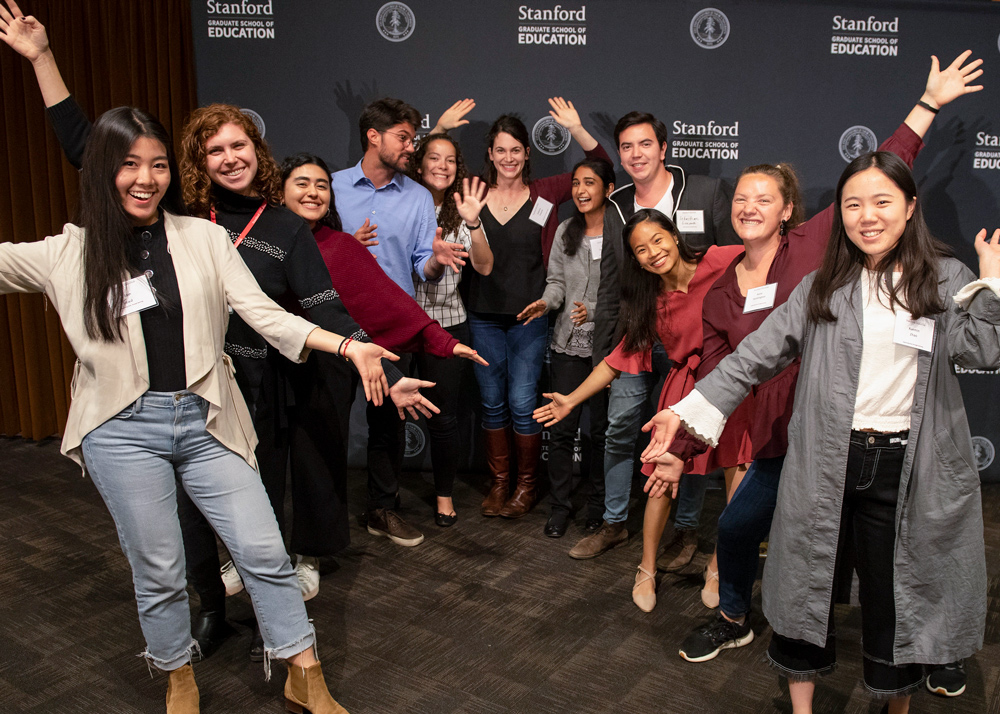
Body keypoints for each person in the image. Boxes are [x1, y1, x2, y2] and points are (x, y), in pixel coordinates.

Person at [0, 105, 392, 714]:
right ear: (104, 171)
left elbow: (266, 313)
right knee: (159, 567)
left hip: (207, 419)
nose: (145, 178)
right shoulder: (68, 252)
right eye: (129, 164)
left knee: (265, 552)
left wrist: (347, 344)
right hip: (122, 431)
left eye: (157, 165)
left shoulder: (203, 238)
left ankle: (304, 674)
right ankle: (178, 679)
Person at [641, 51, 983, 664]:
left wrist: (926, 106)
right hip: (782, 435)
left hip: (860, 431)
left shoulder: (816, 250)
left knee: (899, 548)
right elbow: (732, 372)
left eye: (763, 198)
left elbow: (879, 181)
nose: (748, 206)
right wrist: (684, 442)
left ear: (789, 210)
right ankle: (742, 619)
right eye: (741, 197)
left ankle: (927, 652)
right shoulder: (720, 283)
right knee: (746, 528)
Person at [534, 209, 748, 612]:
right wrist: (572, 398)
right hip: (684, 392)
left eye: (657, 240)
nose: (652, 253)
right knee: (659, 483)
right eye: (640, 250)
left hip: (732, 385)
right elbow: (617, 359)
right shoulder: (650, 302)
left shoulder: (720, 261)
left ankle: (719, 566)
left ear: (673, 234)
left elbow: (772, 254)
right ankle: (646, 568)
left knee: (739, 480)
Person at [280, 152, 487, 541]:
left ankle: (382, 509)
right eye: (302, 184)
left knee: (387, 427)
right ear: (281, 191)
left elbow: (387, 302)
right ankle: (312, 536)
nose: (313, 193)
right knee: (315, 445)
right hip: (298, 361)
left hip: (370, 345)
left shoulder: (342, 246)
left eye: (322, 185)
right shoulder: (268, 245)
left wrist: (439, 339)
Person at [568, 110, 741, 562]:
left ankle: (685, 530)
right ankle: (613, 523)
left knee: (694, 433)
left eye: (645, 144)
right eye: (626, 147)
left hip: (698, 346)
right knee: (621, 428)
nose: (636, 154)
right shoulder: (617, 203)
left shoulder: (704, 191)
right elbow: (610, 281)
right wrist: (604, 348)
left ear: (663, 149)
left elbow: (732, 269)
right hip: (638, 336)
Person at [332, 97, 467, 546]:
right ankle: (323, 517)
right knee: (325, 422)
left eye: (412, 137)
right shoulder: (330, 188)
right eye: (404, 138)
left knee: (387, 425)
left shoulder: (416, 197)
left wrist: (436, 260)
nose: (411, 146)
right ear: (374, 136)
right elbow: (307, 255)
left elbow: (419, 264)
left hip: (390, 330)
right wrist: (344, 247)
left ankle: (382, 509)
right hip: (331, 327)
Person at [467, 99, 610, 520]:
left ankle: (527, 486)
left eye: (516, 150)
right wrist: (437, 128)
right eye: (500, 150)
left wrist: (578, 128)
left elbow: (601, 166)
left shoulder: (546, 193)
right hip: (483, 314)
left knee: (522, 399)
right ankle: (499, 483)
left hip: (530, 318)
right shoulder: (473, 191)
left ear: (527, 154)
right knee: (492, 401)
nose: (508, 158)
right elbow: (429, 172)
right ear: (490, 155)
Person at [516, 157, 615, 537]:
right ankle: (559, 507)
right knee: (562, 429)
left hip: (607, 349)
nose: (580, 191)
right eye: (575, 183)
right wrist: (547, 301)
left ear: (607, 189)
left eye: (590, 183)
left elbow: (625, 292)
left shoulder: (622, 233)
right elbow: (556, 281)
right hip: (567, 347)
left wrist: (591, 310)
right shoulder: (564, 230)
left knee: (602, 432)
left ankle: (598, 505)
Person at [406, 129, 495, 525]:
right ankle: (383, 501)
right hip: (399, 325)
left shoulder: (463, 211)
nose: (442, 166)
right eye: (434, 158)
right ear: (419, 163)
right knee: (387, 417)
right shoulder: (402, 203)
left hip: (446, 326)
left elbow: (485, 266)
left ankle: (444, 496)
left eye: (450, 160)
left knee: (443, 418)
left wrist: (474, 224)